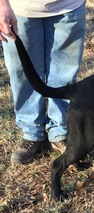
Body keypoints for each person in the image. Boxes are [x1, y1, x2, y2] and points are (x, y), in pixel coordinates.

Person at [0, 0, 86, 164]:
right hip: (18, 8)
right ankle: (31, 132)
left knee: (64, 75)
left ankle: (60, 131)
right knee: (23, 74)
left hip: (69, 6)